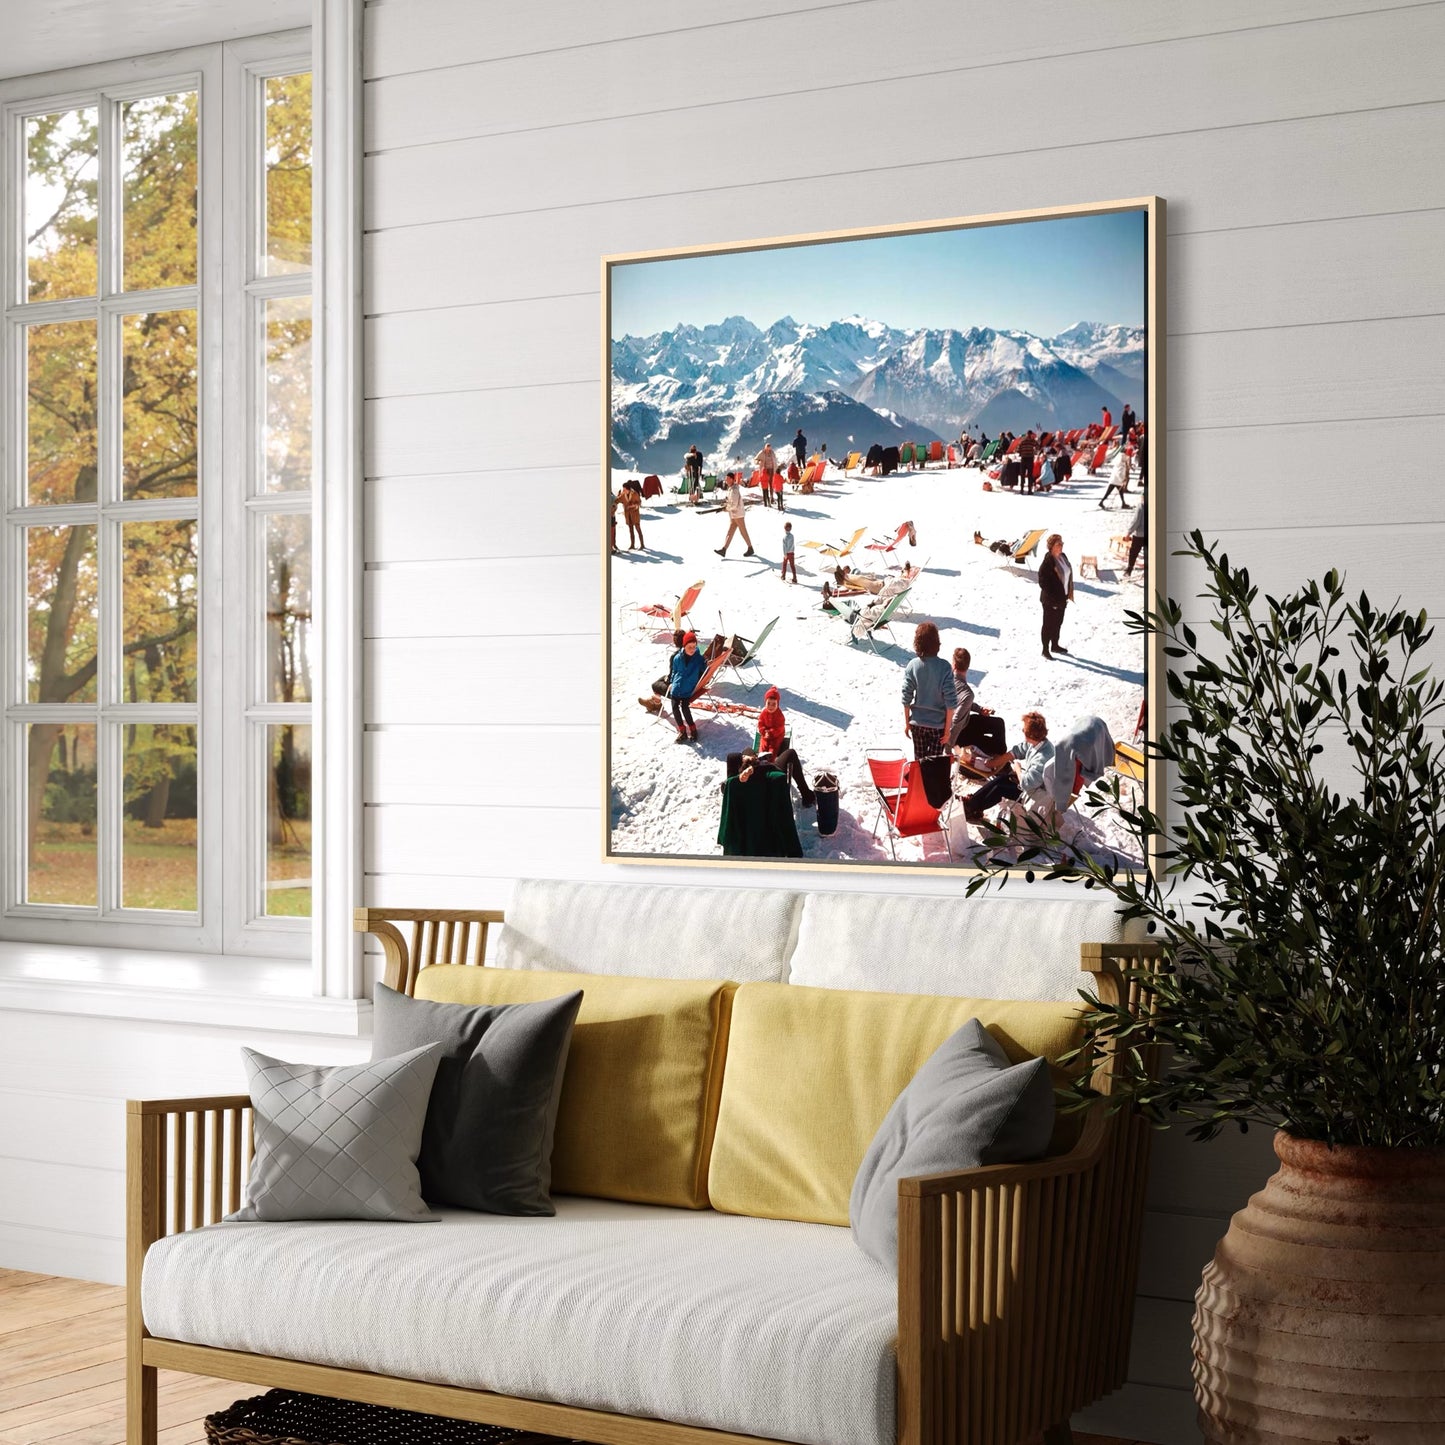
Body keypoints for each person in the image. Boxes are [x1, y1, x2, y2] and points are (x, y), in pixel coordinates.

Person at [962, 711, 1055, 822]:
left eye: (1024, 729)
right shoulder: (1039, 742)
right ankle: (972, 802)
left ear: (1030, 734)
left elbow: (1027, 784)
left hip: (1036, 794)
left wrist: (1018, 769)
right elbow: (1018, 750)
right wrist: (994, 763)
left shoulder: (1043, 757)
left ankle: (973, 808)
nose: (1022, 730)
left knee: (1000, 789)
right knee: (1002, 778)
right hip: (1032, 783)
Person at [901, 620, 957, 761]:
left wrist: (907, 722)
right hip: (938, 726)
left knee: (919, 763)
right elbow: (951, 703)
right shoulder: (945, 667)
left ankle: (918, 783)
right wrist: (947, 730)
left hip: (918, 724)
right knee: (934, 765)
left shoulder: (913, 665)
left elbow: (906, 697)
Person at [947, 648, 1008, 755]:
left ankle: (997, 756)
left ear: (954, 664)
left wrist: (979, 709)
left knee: (998, 724)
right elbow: (956, 721)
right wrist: (948, 748)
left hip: (959, 726)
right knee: (997, 743)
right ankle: (999, 760)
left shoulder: (947, 680)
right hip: (957, 735)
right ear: (968, 666)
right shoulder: (967, 693)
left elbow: (961, 701)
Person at [664, 632, 707, 743]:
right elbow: (674, 671)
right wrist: (672, 682)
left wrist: (707, 664)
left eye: (694, 647)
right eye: (689, 647)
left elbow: (704, 668)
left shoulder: (698, 659)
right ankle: (682, 731)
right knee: (675, 708)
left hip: (688, 689)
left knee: (685, 708)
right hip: (676, 688)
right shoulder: (677, 658)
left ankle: (693, 729)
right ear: (684, 646)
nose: (692, 649)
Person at [1038, 533, 1073, 659]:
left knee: (1058, 623)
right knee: (1048, 624)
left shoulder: (1062, 556)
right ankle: (1045, 649)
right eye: (1059, 544)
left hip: (1062, 598)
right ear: (1052, 546)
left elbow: (1067, 574)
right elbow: (1043, 582)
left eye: (1062, 543)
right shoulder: (1048, 561)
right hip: (1050, 601)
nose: (1061, 546)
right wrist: (1053, 599)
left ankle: (1055, 645)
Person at [715, 473, 754, 557]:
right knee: (730, 531)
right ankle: (724, 549)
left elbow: (734, 504)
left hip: (738, 514)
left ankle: (750, 548)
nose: (726, 480)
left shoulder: (734, 490)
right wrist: (725, 505)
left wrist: (726, 509)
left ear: (732, 479)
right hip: (734, 514)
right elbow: (730, 501)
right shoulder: (731, 489)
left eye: (728, 479)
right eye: (726, 479)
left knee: (743, 532)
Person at [1125, 497, 1147, 579]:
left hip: (1139, 534)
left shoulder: (1141, 506)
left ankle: (1129, 570)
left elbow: (1136, 521)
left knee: (1133, 553)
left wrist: (1129, 532)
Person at [619, 480, 645, 550]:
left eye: (624, 489)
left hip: (635, 514)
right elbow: (618, 499)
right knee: (631, 530)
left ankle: (642, 544)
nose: (623, 490)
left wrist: (633, 506)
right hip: (628, 515)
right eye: (623, 489)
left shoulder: (634, 494)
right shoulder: (623, 494)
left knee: (638, 529)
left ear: (627, 489)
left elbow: (639, 502)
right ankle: (632, 545)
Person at [756, 441, 778, 509]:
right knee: (765, 486)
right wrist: (759, 462)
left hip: (772, 470)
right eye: (768, 448)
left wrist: (776, 469)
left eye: (770, 448)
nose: (769, 450)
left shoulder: (772, 452)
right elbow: (756, 459)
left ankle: (771, 497)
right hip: (765, 471)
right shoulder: (762, 453)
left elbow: (775, 461)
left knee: (771, 484)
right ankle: (766, 499)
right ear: (765, 448)